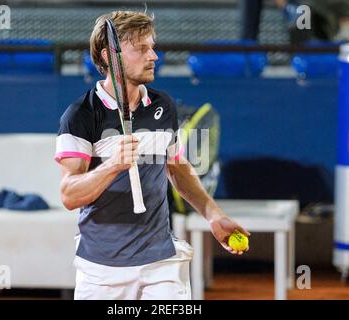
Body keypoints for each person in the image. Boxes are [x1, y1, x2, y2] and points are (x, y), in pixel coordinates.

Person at [55, 10, 250, 300]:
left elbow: (177, 167)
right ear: (110, 56)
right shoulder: (80, 115)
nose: (154, 55)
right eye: (142, 48)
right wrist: (111, 167)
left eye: (153, 46)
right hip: (102, 268)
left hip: (161, 261)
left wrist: (213, 215)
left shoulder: (163, 105)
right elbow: (69, 195)